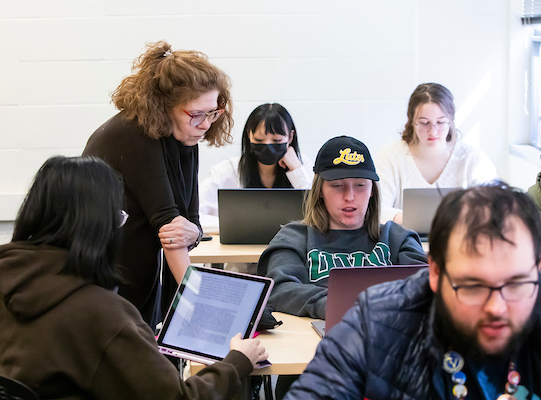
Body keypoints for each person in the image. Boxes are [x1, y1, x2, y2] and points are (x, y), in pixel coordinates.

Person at [284, 183, 541, 399]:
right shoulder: (378, 321)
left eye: (517, 284)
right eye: (473, 286)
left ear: (537, 268)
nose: (497, 308)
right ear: (435, 272)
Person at [0, 156, 268, 400]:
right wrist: (237, 361)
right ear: (99, 227)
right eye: (119, 217)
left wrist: (135, 343)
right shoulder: (101, 313)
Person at [83, 41, 233, 326]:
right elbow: (170, 228)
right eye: (197, 114)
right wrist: (202, 309)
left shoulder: (183, 134)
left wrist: (196, 232)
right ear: (165, 106)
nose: (206, 124)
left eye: (212, 113)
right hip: (103, 277)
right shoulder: (132, 134)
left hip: (137, 270)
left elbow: (189, 222)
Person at [257, 135, 427, 320]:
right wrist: (337, 306)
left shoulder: (397, 238)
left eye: (360, 185)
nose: (350, 196)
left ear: (372, 190)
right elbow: (279, 289)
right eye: (337, 186)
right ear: (320, 190)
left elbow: (428, 286)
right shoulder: (293, 237)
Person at [375, 82, 497, 224]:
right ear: (411, 122)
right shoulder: (390, 156)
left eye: (440, 122)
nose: (432, 131)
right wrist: (416, 222)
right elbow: (376, 208)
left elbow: (494, 204)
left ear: (451, 121)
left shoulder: (472, 159)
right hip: (404, 242)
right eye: (424, 123)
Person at [198, 103, 313, 234]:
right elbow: (194, 217)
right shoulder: (227, 170)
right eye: (259, 140)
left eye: (276, 140)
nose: (268, 145)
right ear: (249, 135)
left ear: (290, 137)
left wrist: (296, 170)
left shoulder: (302, 165)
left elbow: (317, 214)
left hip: (289, 244)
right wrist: (234, 226)